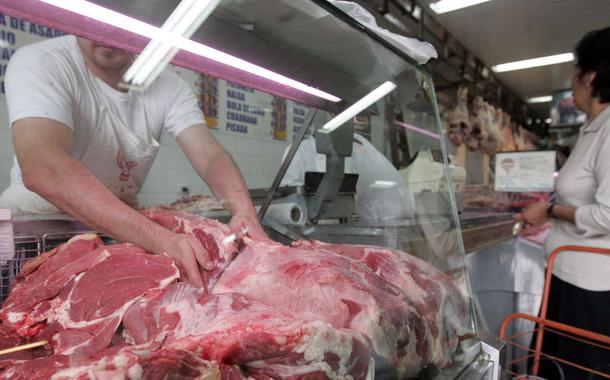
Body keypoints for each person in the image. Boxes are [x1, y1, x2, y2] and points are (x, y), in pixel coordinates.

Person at [0, 35, 267, 287]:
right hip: (31, 237)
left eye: (119, 29)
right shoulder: (43, 62)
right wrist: (159, 238)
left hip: (117, 237)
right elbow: (43, 168)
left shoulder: (169, 86)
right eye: (96, 24)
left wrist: (243, 211)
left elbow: (211, 157)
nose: (106, 38)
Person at [516, 27, 610, 379]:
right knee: (550, 366)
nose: (572, 79)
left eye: (576, 68)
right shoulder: (593, 129)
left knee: (572, 370)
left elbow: (608, 214)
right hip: (568, 275)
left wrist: (551, 211)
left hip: (588, 289)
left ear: (591, 76)